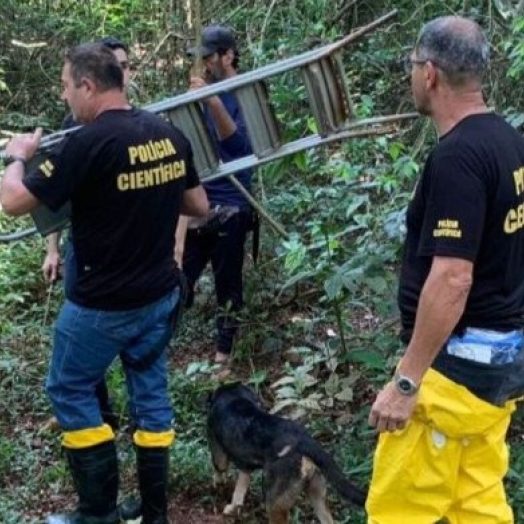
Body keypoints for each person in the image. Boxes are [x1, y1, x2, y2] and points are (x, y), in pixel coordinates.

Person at [0, 43, 208, 524]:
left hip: (100, 306)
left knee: (70, 388)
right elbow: (197, 206)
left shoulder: (87, 143)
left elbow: (13, 202)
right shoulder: (166, 132)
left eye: (67, 87)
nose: (66, 96)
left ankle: (98, 512)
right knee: (152, 398)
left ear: (88, 86)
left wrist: (18, 155)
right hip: (158, 298)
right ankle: (154, 514)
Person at [366, 16, 524, 524]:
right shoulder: (510, 142)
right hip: (501, 367)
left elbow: (453, 277)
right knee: (476, 504)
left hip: (453, 372)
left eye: (413, 66)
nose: (412, 76)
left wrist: (407, 383)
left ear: (429, 73)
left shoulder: (458, 157)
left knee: (398, 510)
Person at [42, 36, 132, 432]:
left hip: (134, 252)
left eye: (127, 66)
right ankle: (99, 415)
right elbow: (53, 201)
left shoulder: (142, 122)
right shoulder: (72, 128)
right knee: (83, 347)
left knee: (136, 345)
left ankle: (138, 420)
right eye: (117, 66)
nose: (123, 73)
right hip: (87, 250)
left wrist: (175, 244)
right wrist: (52, 249)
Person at [178, 24, 254, 371]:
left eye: (211, 56)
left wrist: (212, 99)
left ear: (228, 54)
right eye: (203, 57)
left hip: (233, 204)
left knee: (228, 284)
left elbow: (238, 146)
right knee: (178, 279)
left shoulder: (245, 92)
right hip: (200, 203)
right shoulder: (207, 91)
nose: (206, 63)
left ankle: (224, 357)